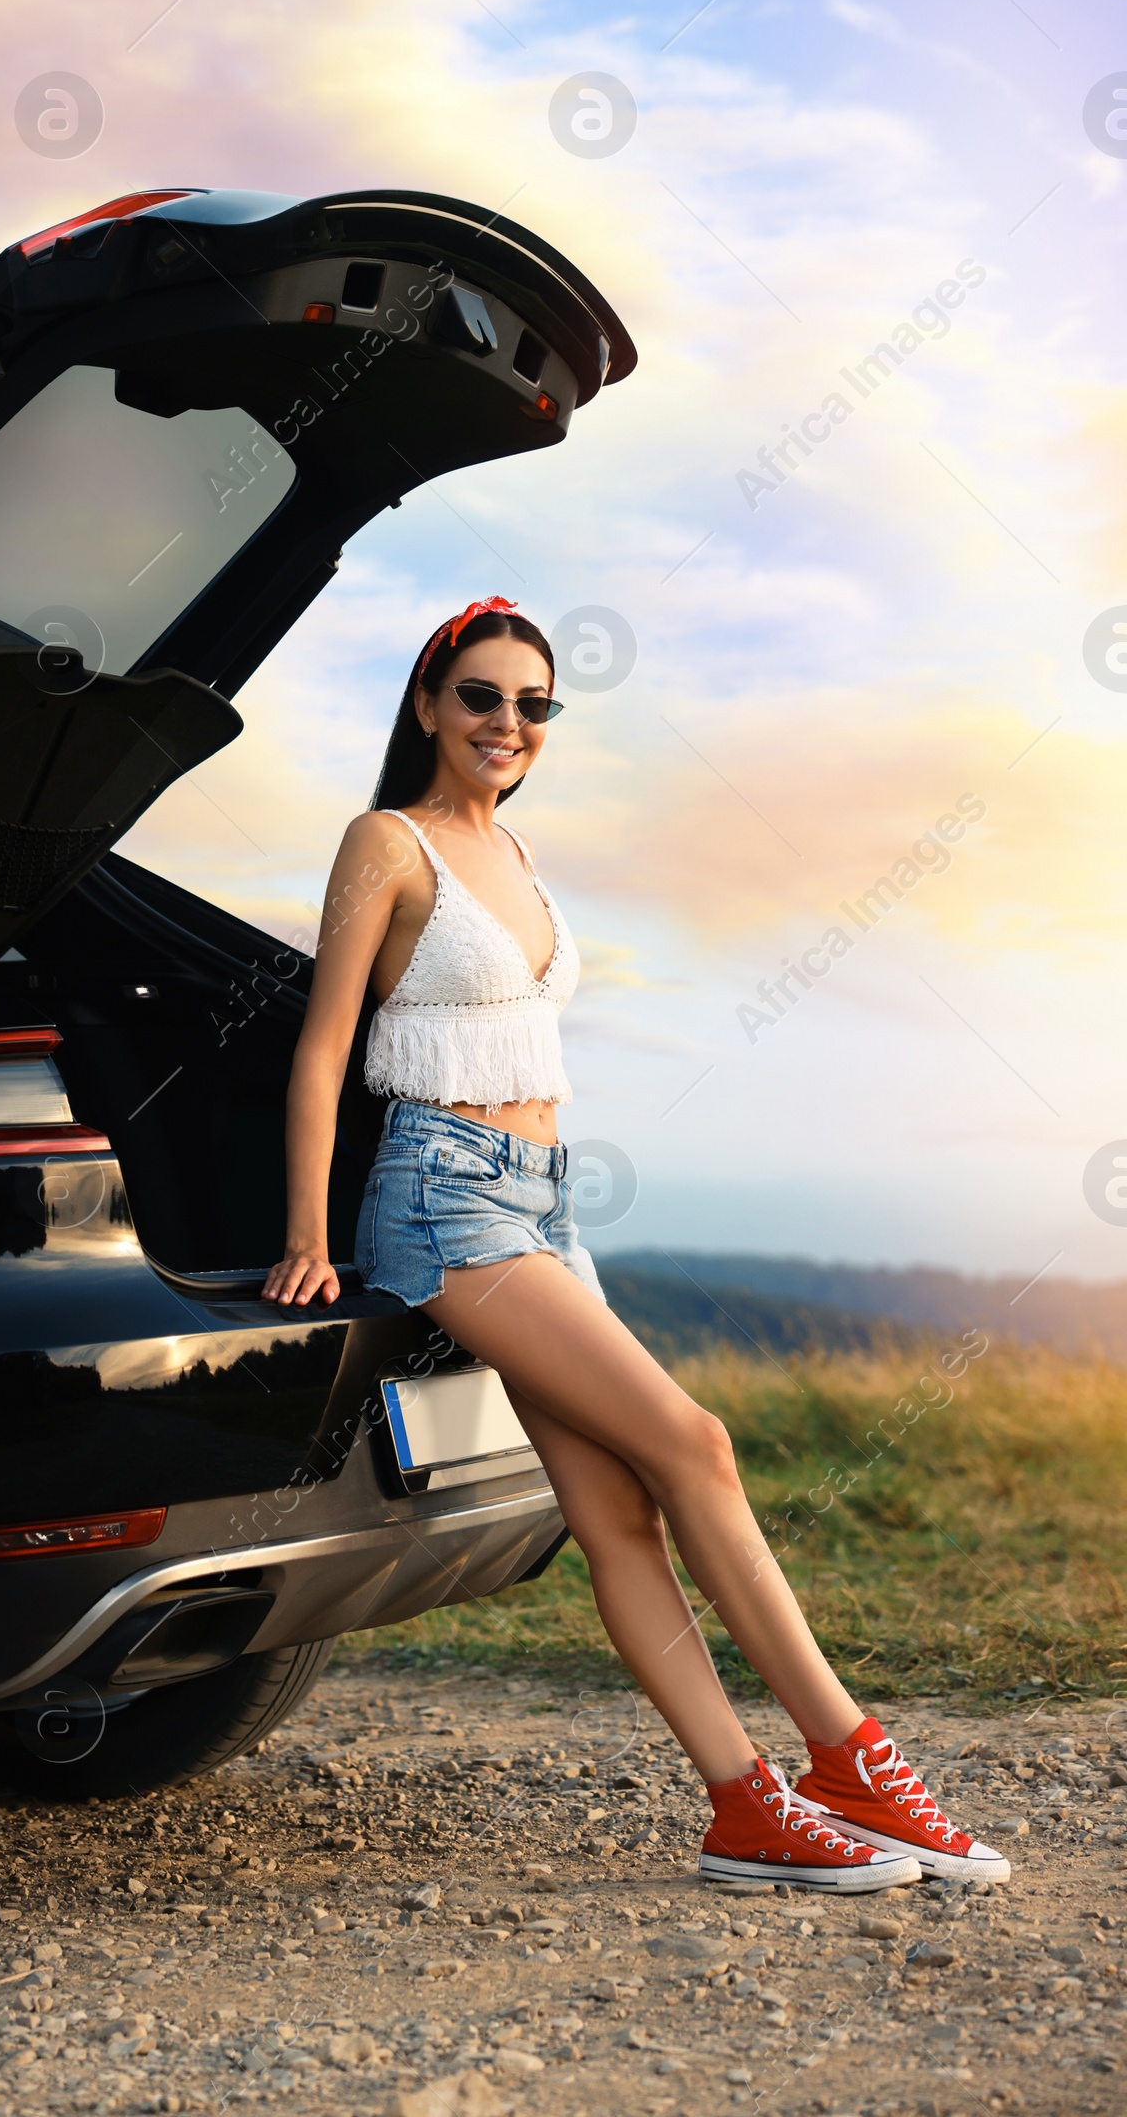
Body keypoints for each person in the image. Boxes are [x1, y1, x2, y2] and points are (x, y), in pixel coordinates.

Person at [262, 597, 1008, 1893]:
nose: (510, 723)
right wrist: (309, 1238)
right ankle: (849, 1757)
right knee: (696, 1443)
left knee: (617, 1511)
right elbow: (322, 1047)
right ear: (430, 702)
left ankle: (744, 1808)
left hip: (540, 1200)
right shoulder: (385, 843)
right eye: (484, 696)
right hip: (445, 1203)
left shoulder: (523, 855)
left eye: (534, 705)